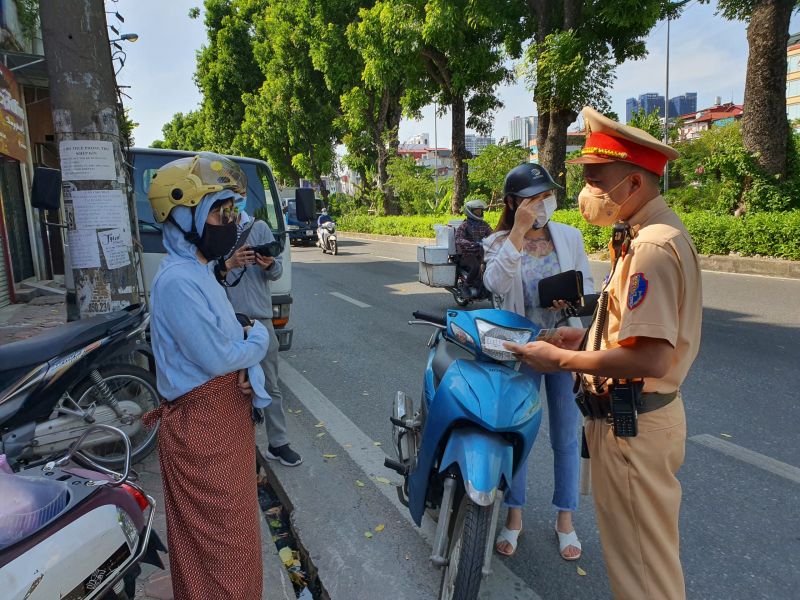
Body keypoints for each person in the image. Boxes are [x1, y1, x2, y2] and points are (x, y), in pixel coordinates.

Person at [505, 107, 701, 600]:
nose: (584, 192)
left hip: (633, 427)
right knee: (641, 567)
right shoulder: (644, 236)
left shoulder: (652, 248)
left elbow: (651, 358)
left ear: (633, 184)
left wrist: (562, 361)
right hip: (629, 421)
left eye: (596, 180)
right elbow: (628, 332)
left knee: (644, 581)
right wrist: (583, 339)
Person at [143, 152, 271, 599]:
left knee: (235, 538)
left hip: (222, 425)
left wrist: (245, 353)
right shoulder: (177, 280)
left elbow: (225, 336)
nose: (229, 221)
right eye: (219, 211)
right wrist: (257, 342)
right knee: (218, 548)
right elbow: (220, 355)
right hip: (203, 432)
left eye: (230, 210)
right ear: (184, 216)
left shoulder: (198, 271)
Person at [483, 163, 594, 561]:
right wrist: (517, 232)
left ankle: (566, 520)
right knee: (520, 436)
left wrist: (574, 301)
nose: (543, 204)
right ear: (513, 203)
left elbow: (589, 287)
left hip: (563, 347)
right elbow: (494, 284)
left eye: (546, 196)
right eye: (533, 198)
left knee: (566, 436)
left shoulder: (569, 237)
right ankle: (514, 516)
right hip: (522, 350)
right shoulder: (497, 242)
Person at [222, 201, 303, 466]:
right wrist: (230, 263)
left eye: (241, 194)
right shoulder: (216, 230)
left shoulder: (260, 228)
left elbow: (277, 271)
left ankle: (278, 443)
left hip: (260, 320)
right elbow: (207, 273)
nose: (236, 200)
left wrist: (268, 264)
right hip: (227, 322)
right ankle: (235, 448)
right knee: (230, 388)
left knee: (270, 384)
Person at [455, 199, 493, 292]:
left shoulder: (484, 225)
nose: (479, 213)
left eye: (480, 211)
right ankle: (466, 286)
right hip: (468, 255)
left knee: (492, 264)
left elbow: (492, 235)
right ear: (469, 211)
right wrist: (471, 244)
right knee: (476, 266)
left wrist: (498, 239)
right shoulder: (464, 225)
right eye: (476, 211)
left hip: (482, 253)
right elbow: (458, 239)